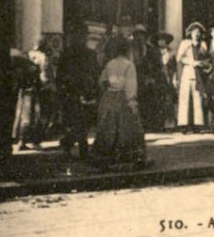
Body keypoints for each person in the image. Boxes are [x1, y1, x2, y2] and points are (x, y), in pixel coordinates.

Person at [92, 35, 147, 166]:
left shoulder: (110, 63)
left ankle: (106, 155)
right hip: (123, 97)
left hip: (109, 97)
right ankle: (126, 156)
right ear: (127, 50)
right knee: (125, 127)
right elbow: (131, 85)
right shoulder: (129, 65)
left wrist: (109, 88)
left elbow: (101, 80)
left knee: (108, 125)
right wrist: (132, 102)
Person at [57, 26, 99, 159]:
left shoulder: (91, 54)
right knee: (78, 121)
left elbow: (96, 72)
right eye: (77, 35)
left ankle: (67, 143)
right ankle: (83, 150)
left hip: (87, 91)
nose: (80, 38)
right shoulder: (67, 53)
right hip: (72, 91)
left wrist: (95, 88)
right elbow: (60, 74)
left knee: (85, 122)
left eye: (82, 35)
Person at [176, 23, 209, 132]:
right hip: (187, 72)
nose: (196, 34)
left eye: (198, 32)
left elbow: (206, 58)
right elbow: (179, 58)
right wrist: (192, 62)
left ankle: (198, 124)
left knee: (197, 98)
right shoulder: (185, 44)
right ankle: (183, 124)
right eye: (194, 32)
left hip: (198, 74)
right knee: (184, 98)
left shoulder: (203, 45)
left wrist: (202, 63)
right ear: (190, 33)